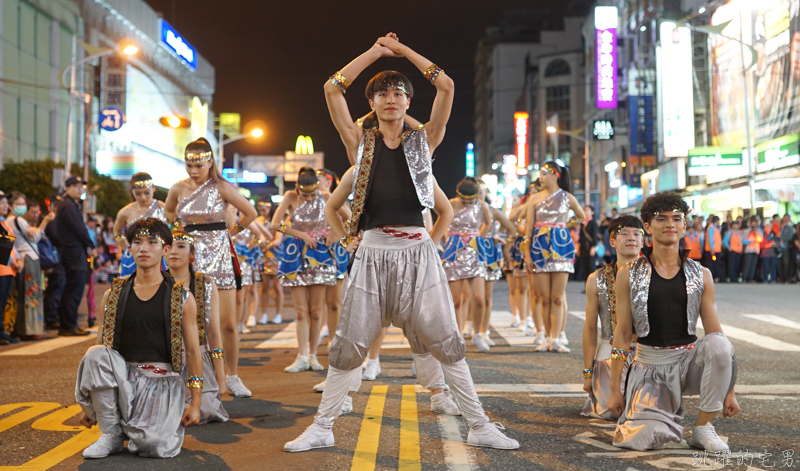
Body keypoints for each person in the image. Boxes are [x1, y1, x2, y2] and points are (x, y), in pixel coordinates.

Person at [284, 34, 518, 453]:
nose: (391, 99)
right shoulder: (361, 146)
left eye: (399, 93)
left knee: (446, 340)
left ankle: (479, 424)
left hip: (418, 252)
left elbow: (445, 86)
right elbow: (332, 88)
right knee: (349, 346)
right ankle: (322, 427)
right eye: (381, 93)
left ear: (409, 102)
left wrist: (406, 53)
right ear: (371, 103)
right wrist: (376, 52)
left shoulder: (423, 145)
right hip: (371, 251)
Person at [607, 192, 740, 452]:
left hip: (689, 362)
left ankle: (703, 427)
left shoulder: (701, 274)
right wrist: (615, 389)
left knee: (719, 345)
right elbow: (622, 333)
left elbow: (715, 332)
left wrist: (729, 388)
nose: (670, 224)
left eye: (676, 218)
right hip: (649, 367)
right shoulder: (627, 274)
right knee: (647, 438)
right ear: (647, 226)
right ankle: (659, 416)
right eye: (661, 219)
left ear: (684, 225)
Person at [75, 218, 202, 459]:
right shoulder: (112, 295)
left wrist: (195, 402)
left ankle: (135, 427)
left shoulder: (182, 297)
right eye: (137, 242)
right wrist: (92, 405)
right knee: (95, 353)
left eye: (152, 242)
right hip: (123, 378)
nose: (144, 248)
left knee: (153, 447)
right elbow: (102, 351)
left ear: (165, 249)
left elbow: (194, 352)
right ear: (129, 248)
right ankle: (111, 433)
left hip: (162, 382)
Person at [165, 138, 258, 398]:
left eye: (199, 165)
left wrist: (230, 233)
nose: (193, 171)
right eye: (189, 165)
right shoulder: (177, 188)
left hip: (219, 257)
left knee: (227, 323)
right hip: (189, 260)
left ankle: (232, 375)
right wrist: (178, 230)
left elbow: (250, 213)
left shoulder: (221, 187)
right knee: (190, 320)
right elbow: (169, 212)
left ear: (210, 163)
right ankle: (193, 375)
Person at [270, 167, 351, 373]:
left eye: (312, 193)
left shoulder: (326, 196)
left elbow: (350, 217)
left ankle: (313, 356)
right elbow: (275, 224)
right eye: (304, 194)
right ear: (297, 188)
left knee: (316, 312)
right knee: (300, 312)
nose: (308, 198)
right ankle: (301, 356)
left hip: (320, 256)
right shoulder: (290, 196)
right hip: (295, 255)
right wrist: (301, 234)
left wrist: (334, 232)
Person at [581, 216, 642, 420]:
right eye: (624, 233)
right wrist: (588, 374)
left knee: (642, 410)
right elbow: (590, 329)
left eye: (637, 234)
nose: (631, 238)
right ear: (613, 241)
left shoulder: (657, 274)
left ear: (643, 241)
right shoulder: (596, 279)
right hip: (610, 345)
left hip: (646, 347)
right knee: (610, 412)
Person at [167, 229, 229, 424]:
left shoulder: (206, 284)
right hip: (165, 360)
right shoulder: (156, 282)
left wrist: (220, 376)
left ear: (192, 255)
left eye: (181, 246)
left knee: (205, 411)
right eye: (170, 247)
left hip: (198, 359)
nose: (173, 252)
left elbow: (213, 333)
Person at [524, 161, 586, 353]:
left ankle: (556, 338)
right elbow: (528, 231)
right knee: (544, 298)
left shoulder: (567, 197)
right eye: (540, 174)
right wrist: (527, 254)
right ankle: (546, 337)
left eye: (544, 173)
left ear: (555, 175)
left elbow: (582, 217)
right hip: (539, 248)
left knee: (557, 297)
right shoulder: (534, 199)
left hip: (561, 248)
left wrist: (564, 226)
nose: (541, 178)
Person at [441, 177, 493, 351]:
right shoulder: (450, 204)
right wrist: (445, 241)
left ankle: (478, 334)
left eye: (471, 200)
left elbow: (488, 222)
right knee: (456, 300)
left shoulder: (482, 205)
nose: (467, 203)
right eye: (465, 200)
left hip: (474, 250)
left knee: (479, 297)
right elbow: (442, 221)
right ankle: (457, 335)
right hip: (454, 250)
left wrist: (479, 237)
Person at [6, 192, 55, 339]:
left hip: (23, 258)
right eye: (18, 204)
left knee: (25, 294)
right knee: (31, 294)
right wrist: (45, 221)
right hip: (27, 258)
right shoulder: (16, 220)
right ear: (10, 205)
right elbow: (35, 237)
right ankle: (30, 329)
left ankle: (23, 328)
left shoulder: (11, 220)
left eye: (23, 204)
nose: (21, 207)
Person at [55, 176, 94, 337]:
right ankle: (68, 326)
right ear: (68, 187)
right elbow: (79, 228)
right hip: (73, 251)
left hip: (73, 251)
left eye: (82, 187)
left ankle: (68, 325)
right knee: (74, 289)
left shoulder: (70, 205)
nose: (81, 189)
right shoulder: (68, 205)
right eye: (77, 186)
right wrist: (90, 244)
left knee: (73, 288)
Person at [114, 173, 167, 277]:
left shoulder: (164, 208)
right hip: (134, 257)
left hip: (159, 255)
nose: (143, 197)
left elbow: (176, 228)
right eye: (137, 194)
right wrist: (127, 247)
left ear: (153, 188)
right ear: (132, 191)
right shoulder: (125, 212)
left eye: (147, 192)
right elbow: (117, 231)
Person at [255, 201, 283, 325]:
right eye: (260, 207)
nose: (262, 209)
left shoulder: (277, 221)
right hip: (263, 257)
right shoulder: (258, 220)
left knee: (277, 287)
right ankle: (264, 313)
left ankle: (278, 314)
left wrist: (267, 245)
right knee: (264, 287)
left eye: (265, 207)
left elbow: (278, 240)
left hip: (276, 256)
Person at [578, 205, 599, 281]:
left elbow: (595, 236)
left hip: (590, 248)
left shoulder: (593, 223)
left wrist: (593, 247)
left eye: (587, 210)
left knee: (591, 268)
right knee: (585, 268)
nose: (585, 212)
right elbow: (581, 237)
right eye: (584, 210)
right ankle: (587, 286)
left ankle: (593, 287)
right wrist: (579, 247)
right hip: (583, 248)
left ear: (592, 212)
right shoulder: (583, 223)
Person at [742, 216, 762, 283]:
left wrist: (755, 233)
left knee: (753, 265)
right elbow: (744, 239)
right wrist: (750, 232)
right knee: (747, 264)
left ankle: (751, 278)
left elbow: (760, 239)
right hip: (748, 250)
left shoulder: (759, 231)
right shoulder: (746, 231)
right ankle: (744, 278)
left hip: (755, 250)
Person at [702, 215, 723, 281]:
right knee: (712, 264)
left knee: (715, 264)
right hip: (712, 250)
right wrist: (712, 249)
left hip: (716, 250)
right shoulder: (711, 227)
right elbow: (710, 239)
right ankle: (712, 277)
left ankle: (715, 276)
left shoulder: (715, 228)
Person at [779, 214, 794, 283]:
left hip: (786, 248)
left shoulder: (789, 228)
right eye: (784, 218)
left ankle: (786, 278)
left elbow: (791, 236)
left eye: (787, 218)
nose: (785, 219)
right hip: (778, 248)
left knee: (786, 263)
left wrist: (783, 239)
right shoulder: (779, 226)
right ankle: (780, 277)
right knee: (779, 263)